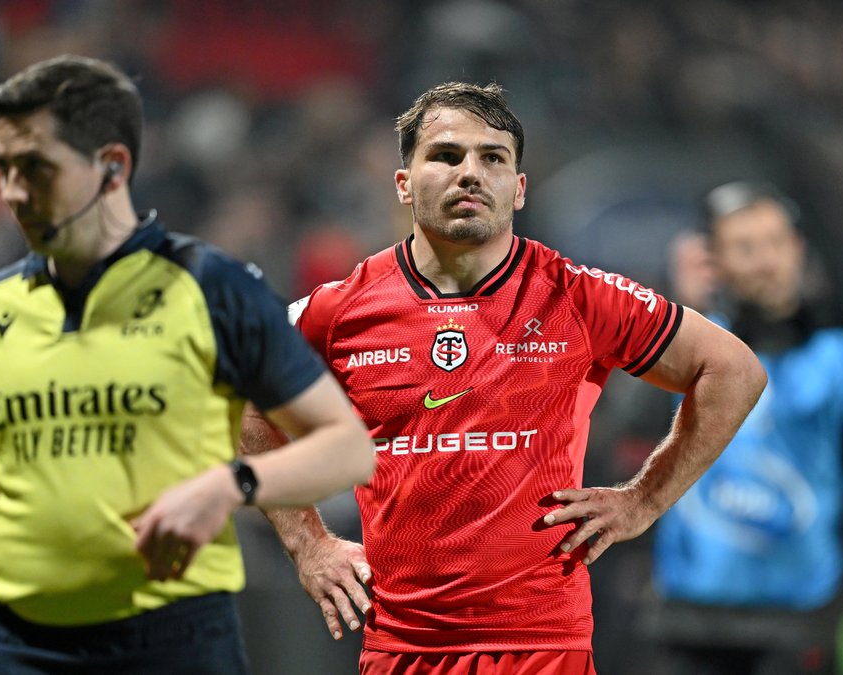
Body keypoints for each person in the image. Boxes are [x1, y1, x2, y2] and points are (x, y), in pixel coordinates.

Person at [241, 82, 767, 674]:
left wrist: (643, 501)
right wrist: (307, 544)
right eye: (446, 155)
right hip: (404, 648)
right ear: (404, 183)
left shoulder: (576, 296)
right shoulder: (342, 308)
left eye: (492, 157)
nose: (470, 172)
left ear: (517, 188)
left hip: (541, 646)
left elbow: (733, 369)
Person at [0, 55, 375, 675]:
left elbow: (346, 450)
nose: (13, 191)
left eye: (36, 167)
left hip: (175, 643)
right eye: (4, 168)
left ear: (113, 167)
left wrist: (229, 484)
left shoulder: (213, 289)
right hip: (16, 649)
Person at [634, 181, 843, 675]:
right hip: (690, 615)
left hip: (797, 619)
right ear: (713, 259)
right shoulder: (685, 345)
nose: (765, 261)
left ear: (799, 248)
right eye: (745, 247)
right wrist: (670, 314)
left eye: (775, 242)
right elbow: (626, 430)